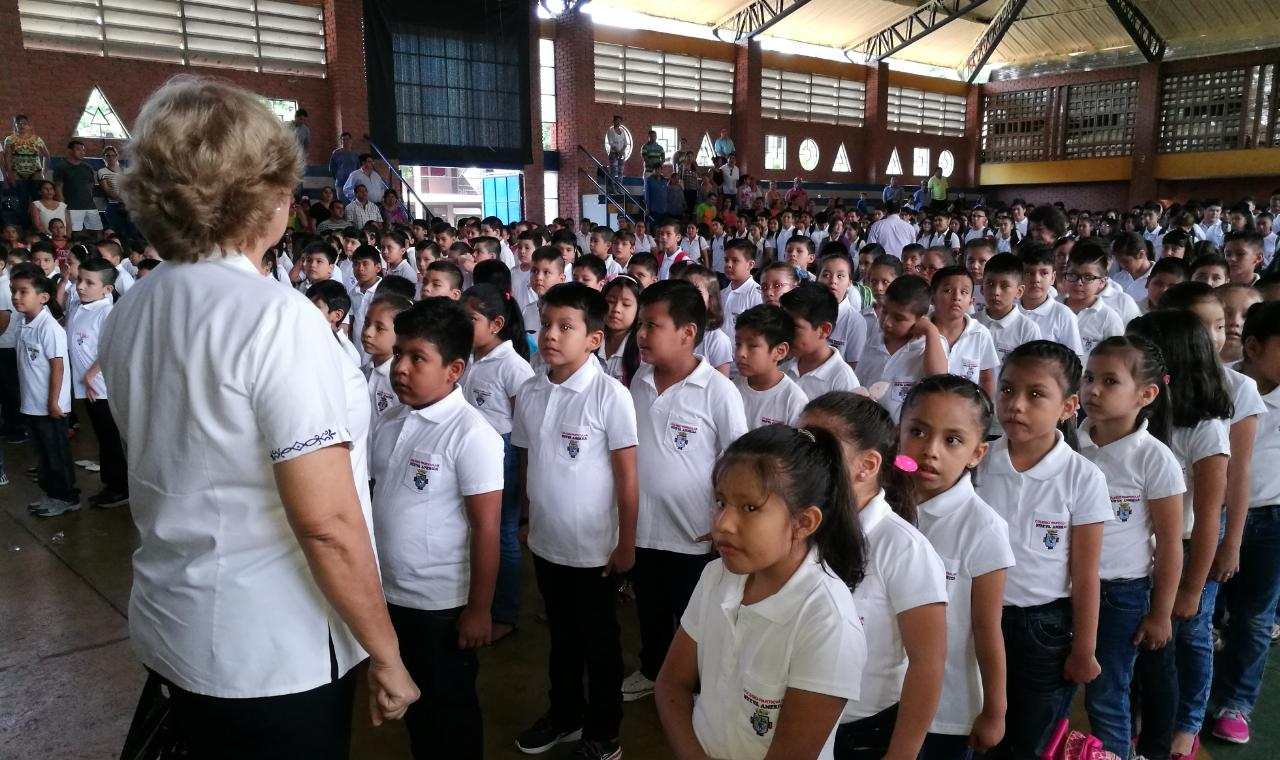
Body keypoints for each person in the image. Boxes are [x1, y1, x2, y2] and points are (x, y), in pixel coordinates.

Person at [103, 79, 418, 757]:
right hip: (268, 648)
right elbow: (328, 523)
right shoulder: (274, 318)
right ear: (267, 196)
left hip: (175, 620)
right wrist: (386, 653)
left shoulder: (137, 304)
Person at [655, 424, 869, 760]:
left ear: (804, 523)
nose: (722, 523)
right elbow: (671, 683)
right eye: (721, 501)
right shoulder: (716, 576)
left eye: (749, 508)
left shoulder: (828, 624)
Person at [369, 298, 503, 760]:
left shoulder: (471, 435)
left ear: (454, 369)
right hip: (392, 594)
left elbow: (486, 528)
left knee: (450, 708)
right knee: (415, 703)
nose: (400, 368)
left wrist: (480, 609)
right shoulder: (390, 421)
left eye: (417, 358)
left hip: (440, 603)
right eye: (399, 354)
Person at [512, 283, 638, 760]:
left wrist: (626, 543)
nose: (551, 335)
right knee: (561, 640)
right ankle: (564, 715)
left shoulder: (610, 396)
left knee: (599, 644)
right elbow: (529, 460)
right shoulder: (529, 389)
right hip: (547, 541)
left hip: (594, 549)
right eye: (546, 324)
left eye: (566, 327)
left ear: (594, 340)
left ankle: (603, 731)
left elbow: (627, 478)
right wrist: (526, 517)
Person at [973, 341, 1111, 759]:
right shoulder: (977, 462)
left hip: (1044, 630)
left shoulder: (1082, 477)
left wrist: (1084, 649)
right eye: (1008, 390)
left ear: (1069, 407)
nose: (1016, 404)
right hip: (977, 618)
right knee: (977, 728)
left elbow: (1086, 574)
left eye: (1036, 395)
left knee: (1030, 738)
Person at [799, 393, 948, 760]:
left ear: (866, 465)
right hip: (794, 717)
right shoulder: (797, 526)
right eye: (797, 441)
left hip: (861, 731)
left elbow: (926, 664)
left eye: (817, 448)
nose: (796, 458)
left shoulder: (904, 549)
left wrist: (901, 754)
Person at [623, 280, 747, 703]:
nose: (641, 334)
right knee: (650, 609)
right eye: (641, 324)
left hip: (693, 534)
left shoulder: (718, 392)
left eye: (652, 325)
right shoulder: (639, 379)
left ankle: (696, 685)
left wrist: (722, 524)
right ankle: (653, 668)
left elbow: (738, 466)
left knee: (695, 616)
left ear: (687, 332)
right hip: (642, 528)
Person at [1126, 311, 1233, 760]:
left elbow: (1210, 515)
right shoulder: (1142, 418)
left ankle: (1181, 728)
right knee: (1144, 645)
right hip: (1141, 549)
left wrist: (1192, 587)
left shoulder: (1204, 429)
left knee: (1182, 643)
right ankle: (1135, 726)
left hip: (1187, 549)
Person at [1072, 336, 1185, 757]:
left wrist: (1160, 613)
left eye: (1109, 381)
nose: (1093, 390)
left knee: (1107, 691)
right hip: (1061, 589)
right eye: (1087, 378)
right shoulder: (1068, 442)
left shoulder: (1154, 459)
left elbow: (1171, 545)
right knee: (1056, 688)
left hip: (1119, 594)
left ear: (1146, 394)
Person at [898, 377, 1013, 760]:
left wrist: (994, 711)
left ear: (977, 453)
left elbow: (987, 627)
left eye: (952, 441)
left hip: (946, 712)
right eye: (917, 432)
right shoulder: (880, 505)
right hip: (880, 698)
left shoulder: (983, 528)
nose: (929, 451)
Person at [1212, 301, 1280, 744]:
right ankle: (1189, 696)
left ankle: (1235, 702)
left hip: (1272, 518)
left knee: (1256, 618)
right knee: (1203, 614)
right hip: (1213, 517)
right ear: (1252, 346)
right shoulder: (1221, 386)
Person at [12, 264, 79, 516]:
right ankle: (51, 494)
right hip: (31, 403)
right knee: (43, 454)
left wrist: (53, 403)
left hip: (49, 406)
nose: (16, 297)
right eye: (13, 291)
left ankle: (66, 497)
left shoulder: (48, 327)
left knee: (56, 453)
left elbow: (58, 367)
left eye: (23, 291)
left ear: (43, 297)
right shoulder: (24, 322)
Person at [68, 258, 129, 508]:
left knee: (110, 437)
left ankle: (120, 487)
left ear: (107, 290)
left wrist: (92, 373)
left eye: (89, 283)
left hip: (102, 388)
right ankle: (111, 482)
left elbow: (113, 348)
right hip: (88, 388)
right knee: (102, 437)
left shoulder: (108, 313)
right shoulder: (80, 306)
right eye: (79, 280)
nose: (81, 286)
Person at [855, 276, 948, 421]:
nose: (887, 322)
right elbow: (859, 382)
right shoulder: (874, 341)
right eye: (884, 311)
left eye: (898, 318)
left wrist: (931, 331)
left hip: (906, 432)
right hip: (869, 428)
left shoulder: (930, 344)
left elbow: (938, 376)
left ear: (921, 319)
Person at [732, 303, 807, 429]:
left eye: (752, 346)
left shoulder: (793, 400)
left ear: (780, 351)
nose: (741, 354)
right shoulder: (732, 389)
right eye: (738, 344)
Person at [780, 284, 860, 400]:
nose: (784, 332)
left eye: (794, 326)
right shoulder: (785, 368)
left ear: (824, 330)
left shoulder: (843, 381)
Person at [1061, 241, 1124, 365]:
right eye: (1073, 275)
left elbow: (1116, 361)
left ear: (1102, 282)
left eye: (1088, 277)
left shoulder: (1109, 319)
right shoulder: (1054, 307)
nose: (1079, 282)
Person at [1018, 244, 1083, 356]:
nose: (1036, 280)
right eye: (1028, 273)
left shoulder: (1064, 315)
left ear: (1053, 277)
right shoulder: (1009, 308)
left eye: (1044, 273)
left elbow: (1073, 360)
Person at [818, 254, 867, 368]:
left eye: (840, 276)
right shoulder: (807, 313)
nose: (833, 281)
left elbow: (854, 367)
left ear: (849, 284)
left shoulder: (855, 322)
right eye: (826, 275)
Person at [53, 140, 103, 237]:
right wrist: (63, 207)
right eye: (78, 149)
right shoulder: (61, 167)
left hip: (90, 205)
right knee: (74, 234)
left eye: (83, 150)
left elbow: (91, 185)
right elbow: (58, 188)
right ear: (70, 151)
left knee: (97, 232)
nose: (82, 152)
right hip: (72, 207)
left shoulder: (87, 167)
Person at [3, 114, 50, 213]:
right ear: (15, 126)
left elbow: (46, 155)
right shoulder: (9, 139)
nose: (22, 126)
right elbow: (7, 158)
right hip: (17, 174)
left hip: (35, 173)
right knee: (22, 200)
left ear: (29, 126)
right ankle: (24, 224)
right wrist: (9, 174)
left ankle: (38, 224)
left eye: (24, 123)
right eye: (18, 123)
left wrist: (44, 172)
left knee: (37, 199)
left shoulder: (37, 139)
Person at [719, 240, 762, 346]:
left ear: (750, 265)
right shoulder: (722, 293)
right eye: (726, 260)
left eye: (735, 261)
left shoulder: (757, 294)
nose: (728, 264)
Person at [97, 145, 133, 237]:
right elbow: (107, 191)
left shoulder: (125, 171)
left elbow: (130, 188)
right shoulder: (102, 171)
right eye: (108, 155)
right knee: (117, 231)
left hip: (128, 205)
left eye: (113, 155)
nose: (110, 157)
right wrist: (121, 198)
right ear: (104, 157)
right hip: (113, 204)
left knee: (132, 231)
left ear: (117, 156)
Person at [605, 116, 628, 184]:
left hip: (622, 153)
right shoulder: (610, 130)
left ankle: (619, 186)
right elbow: (611, 143)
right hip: (614, 153)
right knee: (614, 170)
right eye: (617, 121)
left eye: (619, 121)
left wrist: (621, 151)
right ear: (614, 121)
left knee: (621, 171)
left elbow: (625, 143)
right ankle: (613, 187)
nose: (618, 122)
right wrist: (618, 151)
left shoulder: (623, 131)